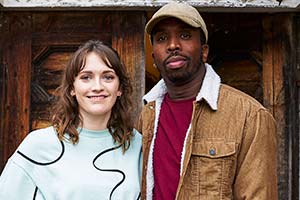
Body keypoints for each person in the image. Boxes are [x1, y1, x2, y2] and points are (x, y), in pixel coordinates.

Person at [137, 2, 277, 200]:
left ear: (204, 51)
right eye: (162, 38)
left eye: (185, 35)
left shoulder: (250, 117)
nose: (173, 45)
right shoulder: (146, 115)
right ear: (154, 58)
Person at [0, 40, 142, 200]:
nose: (97, 86)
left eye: (108, 77)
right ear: (72, 88)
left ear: (120, 88)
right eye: (86, 77)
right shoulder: (38, 145)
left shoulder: (138, 145)